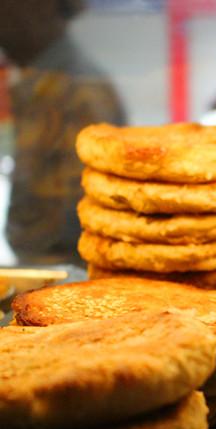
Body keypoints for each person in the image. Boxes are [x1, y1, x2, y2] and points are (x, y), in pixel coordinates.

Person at [0, 0, 125, 265]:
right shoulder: (36, 80)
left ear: (41, 8)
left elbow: (75, 221)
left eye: (9, 5)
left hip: (66, 271)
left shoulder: (76, 89)